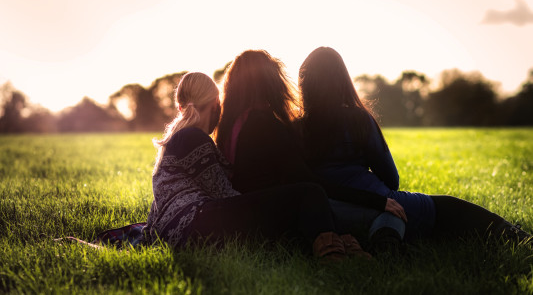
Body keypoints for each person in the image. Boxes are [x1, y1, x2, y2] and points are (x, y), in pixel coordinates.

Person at [297, 46, 532, 242]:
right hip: (378, 199)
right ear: (342, 80)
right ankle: (519, 238)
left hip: (330, 209)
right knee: (451, 209)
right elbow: (391, 179)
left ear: (305, 84)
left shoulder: (296, 128)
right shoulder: (358, 119)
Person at [142, 72, 369, 261]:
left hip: (179, 231)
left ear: (180, 106)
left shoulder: (177, 139)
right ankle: (335, 254)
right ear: (215, 105)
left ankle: (336, 243)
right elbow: (223, 194)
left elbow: (159, 203)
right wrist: (266, 203)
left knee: (289, 208)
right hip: (198, 225)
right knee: (309, 191)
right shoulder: (193, 137)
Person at [215, 49, 407, 252]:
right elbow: (310, 183)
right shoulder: (267, 126)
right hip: (271, 221)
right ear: (269, 81)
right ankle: (356, 244)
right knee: (385, 213)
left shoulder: (230, 126)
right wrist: (377, 201)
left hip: (245, 215)